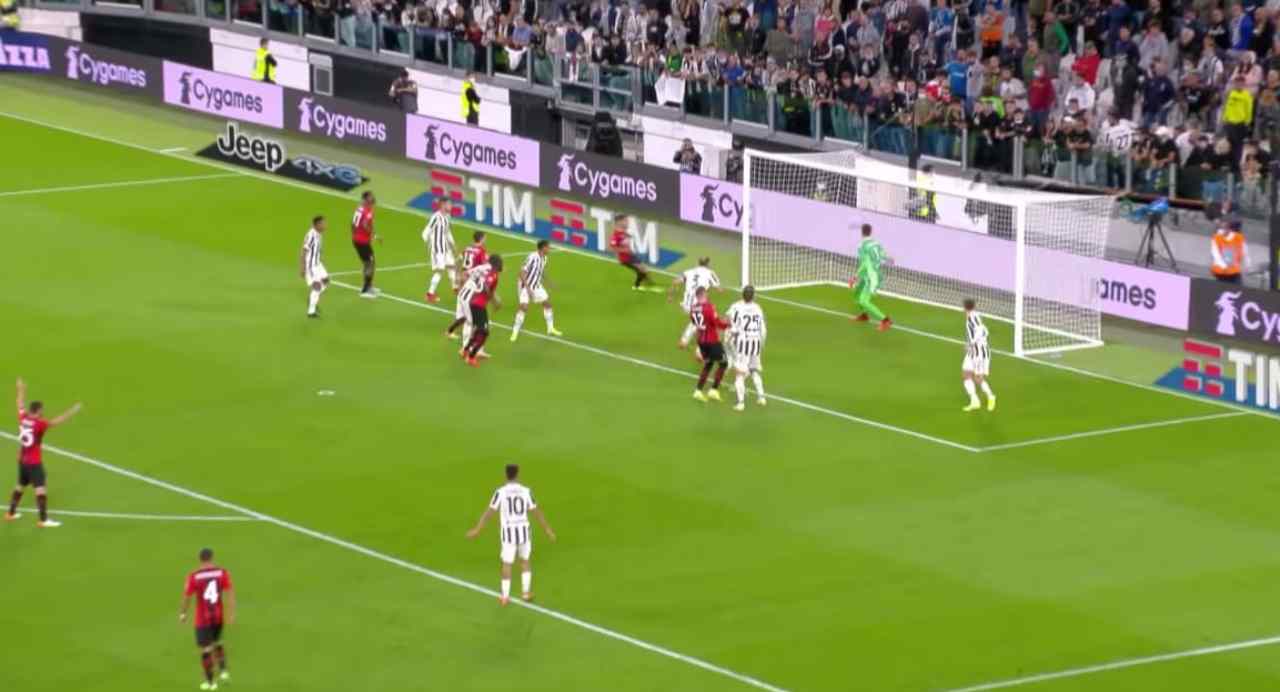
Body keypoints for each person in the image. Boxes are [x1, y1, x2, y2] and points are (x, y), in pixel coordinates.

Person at [466, 464, 556, 605]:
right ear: (517, 474)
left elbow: (490, 512)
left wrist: (477, 529)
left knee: (507, 563)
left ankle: (505, 596)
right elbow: (536, 511)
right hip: (524, 531)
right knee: (525, 561)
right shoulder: (526, 491)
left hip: (508, 533)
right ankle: (526, 593)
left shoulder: (500, 492)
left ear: (505, 475)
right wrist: (547, 530)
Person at [7, 378, 81, 527]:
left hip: (22, 460)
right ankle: (43, 519)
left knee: (20, 485)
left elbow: (19, 403)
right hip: (34, 462)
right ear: (38, 410)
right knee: (40, 489)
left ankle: (11, 513)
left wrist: (21, 388)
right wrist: (72, 411)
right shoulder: (40, 423)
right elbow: (56, 422)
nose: (43, 411)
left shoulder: (23, 418)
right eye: (42, 409)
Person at [180, 548, 234, 691]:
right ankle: (223, 671)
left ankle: (210, 683)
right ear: (212, 557)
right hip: (218, 616)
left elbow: (187, 597)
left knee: (206, 650)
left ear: (200, 559)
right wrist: (230, 613)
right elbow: (229, 592)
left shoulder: (194, 576)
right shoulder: (222, 573)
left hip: (203, 619)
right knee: (218, 642)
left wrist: (183, 613)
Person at [668, 256, 721, 357]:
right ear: (708, 264)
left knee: (696, 323)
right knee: (706, 325)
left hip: (686, 304)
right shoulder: (710, 273)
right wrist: (714, 288)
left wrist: (670, 296)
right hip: (698, 306)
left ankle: (685, 341)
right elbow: (719, 289)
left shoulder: (688, 272)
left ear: (698, 263)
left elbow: (675, 282)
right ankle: (698, 351)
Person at [511, 240, 562, 342]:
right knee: (524, 307)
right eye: (548, 247)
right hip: (525, 285)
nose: (549, 249)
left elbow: (541, 271)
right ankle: (515, 331)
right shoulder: (532, 257)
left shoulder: (545, 258)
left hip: (536, 286)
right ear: (543, 248)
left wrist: (549, 282)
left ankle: (550, 329)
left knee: (547, 304)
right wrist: (528, 289)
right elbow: (521, 273)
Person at [726, 286, 767, 412]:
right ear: (753, 296)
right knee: (754, 370)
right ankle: (761, 397)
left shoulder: (738, 308)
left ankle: (741, 403)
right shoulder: (758, 308)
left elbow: (734, 328)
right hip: (756, 342)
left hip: (743, 343)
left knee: (739, 373)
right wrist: (761, 343)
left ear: (742, 295)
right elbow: (763, 329)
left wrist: (728, 341)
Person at [445, 232, 489, 346]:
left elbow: (458, 261)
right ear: (481, 239)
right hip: (471, 282)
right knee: (469, 312)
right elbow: (485, 267)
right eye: (485, 238)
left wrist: (457, 276)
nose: (485, 240)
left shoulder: (467, 248)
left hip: (463, 280)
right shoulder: (481, 251)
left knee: (462, 309)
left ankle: (450, 331)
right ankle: (467, 343)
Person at [689, 286, 730, 402]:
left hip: (701, 341)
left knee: (709, 364)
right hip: (712, 341)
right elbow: (716, 322)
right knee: (724, 363)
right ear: (703, 294)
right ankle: (713, 390)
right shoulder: (709, 307)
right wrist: (727, 325)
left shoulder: (693, 308)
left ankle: (698, 391)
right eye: (706, 293)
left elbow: (694, 322)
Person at [849, 224, 892, 331]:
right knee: (857, 294)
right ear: (871, 231)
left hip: (870, 276)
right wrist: (889, 258)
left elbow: (865, 263)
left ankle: (885, 320)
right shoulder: (876, 243)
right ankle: (864, 315)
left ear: (861, 232)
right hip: (870, 274)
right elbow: (883, 255)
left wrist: (855, 277)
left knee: (864, 301)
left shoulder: (862, 246)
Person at [462, 255, 503, 367]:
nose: (502, 265)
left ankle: (465, 350)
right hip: (478, 305)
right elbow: (486, 286)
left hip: (475, 303)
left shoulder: (490, 273)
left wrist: (494, 300)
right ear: (497, 264)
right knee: (484, 332)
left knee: (478, 330)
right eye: (501, 263)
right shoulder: (493, 274)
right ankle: (471, 357)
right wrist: (494, 301)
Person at [961, 298, 996, 412]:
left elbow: (982, 331)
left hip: (980, 352)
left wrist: (970, 344)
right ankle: (974, 400)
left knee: (977, 378)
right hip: (973, 352)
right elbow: (985, 331)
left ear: (964, 307)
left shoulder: (972, 317)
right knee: (966, 374)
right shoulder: (973, 316)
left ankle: (991, 396)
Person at [610, 215, 654, 290]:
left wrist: (629, 237)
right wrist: (624, 250)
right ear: (619, 222)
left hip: (630, 255)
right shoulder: (616, 235)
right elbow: (613, 247)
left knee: (644, 269)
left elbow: (625, 237)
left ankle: (648, 282)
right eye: (625, 221)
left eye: (627, 221)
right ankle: (637, 286)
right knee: (641, 270)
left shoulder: (623, 232)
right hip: (625, 259)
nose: (627, 222)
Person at [422, 207, 456, 304]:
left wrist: (453, 244)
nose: (450, 206)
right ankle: (429, 294)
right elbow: (426, 231)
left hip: (446, 248)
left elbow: (447, 232)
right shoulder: (436, 217)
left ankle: (455, 288)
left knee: (452, 266)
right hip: (438, 249)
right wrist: (429, 243)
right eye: (448, 204)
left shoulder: (447, 216)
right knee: (440, 271)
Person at [351, 191, 379, 298]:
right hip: (362, 241)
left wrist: (355, 235)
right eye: (371, 197)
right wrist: (372, 235)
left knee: (368, 263)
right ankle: (365, 290)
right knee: (370, 263)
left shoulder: (359, 209)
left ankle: (369, 286)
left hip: (358, 240)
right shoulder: (367, 211)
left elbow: (353, 224)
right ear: (366, 199)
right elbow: (365, 224)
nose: (373, 197)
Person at [300, 215, 329, 318]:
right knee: (317, 286)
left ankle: (313, 297)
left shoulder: (319, 234)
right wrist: (302, 267)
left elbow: (317, 249)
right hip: (311, 266)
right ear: (317, 225)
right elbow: (304, 251)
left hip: (318, 264)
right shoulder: (311, 235)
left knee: (326, 280)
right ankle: (311, 311)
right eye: (323, 223)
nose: (325, 225)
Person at [1210, 219, 1250, 284]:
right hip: (1225, 271)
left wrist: (1247, 265)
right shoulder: (1219, 237)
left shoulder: (1239, 238)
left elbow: (1245, 253)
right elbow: (1216, 254)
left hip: (1228, 271)